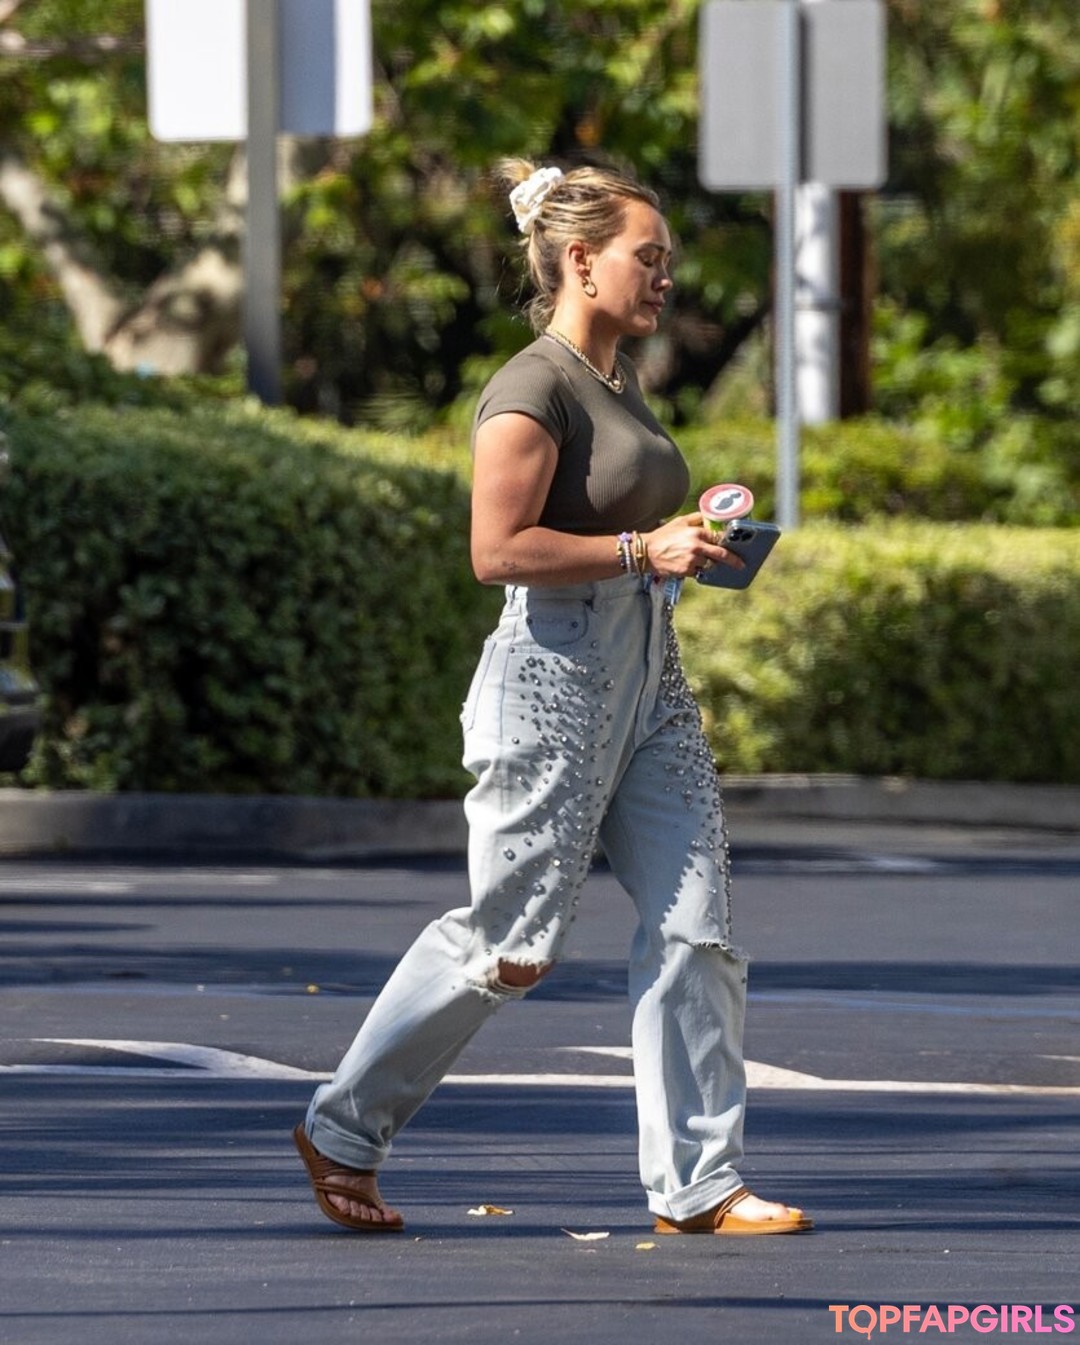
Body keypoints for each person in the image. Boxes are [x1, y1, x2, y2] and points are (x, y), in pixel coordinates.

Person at [293, 158, 813, 1238]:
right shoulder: (532, 386)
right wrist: (638, 548)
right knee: (512, 944)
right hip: (552, 678)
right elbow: (497, 550)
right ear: (581, 259)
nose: (665, 278)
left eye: (667, 260)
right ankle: (343, 1128)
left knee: (698, 930)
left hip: (649, 676)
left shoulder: (617, 381)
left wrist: (679, 546)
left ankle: (701, 1184)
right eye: (647, 257)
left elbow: (623, 529)